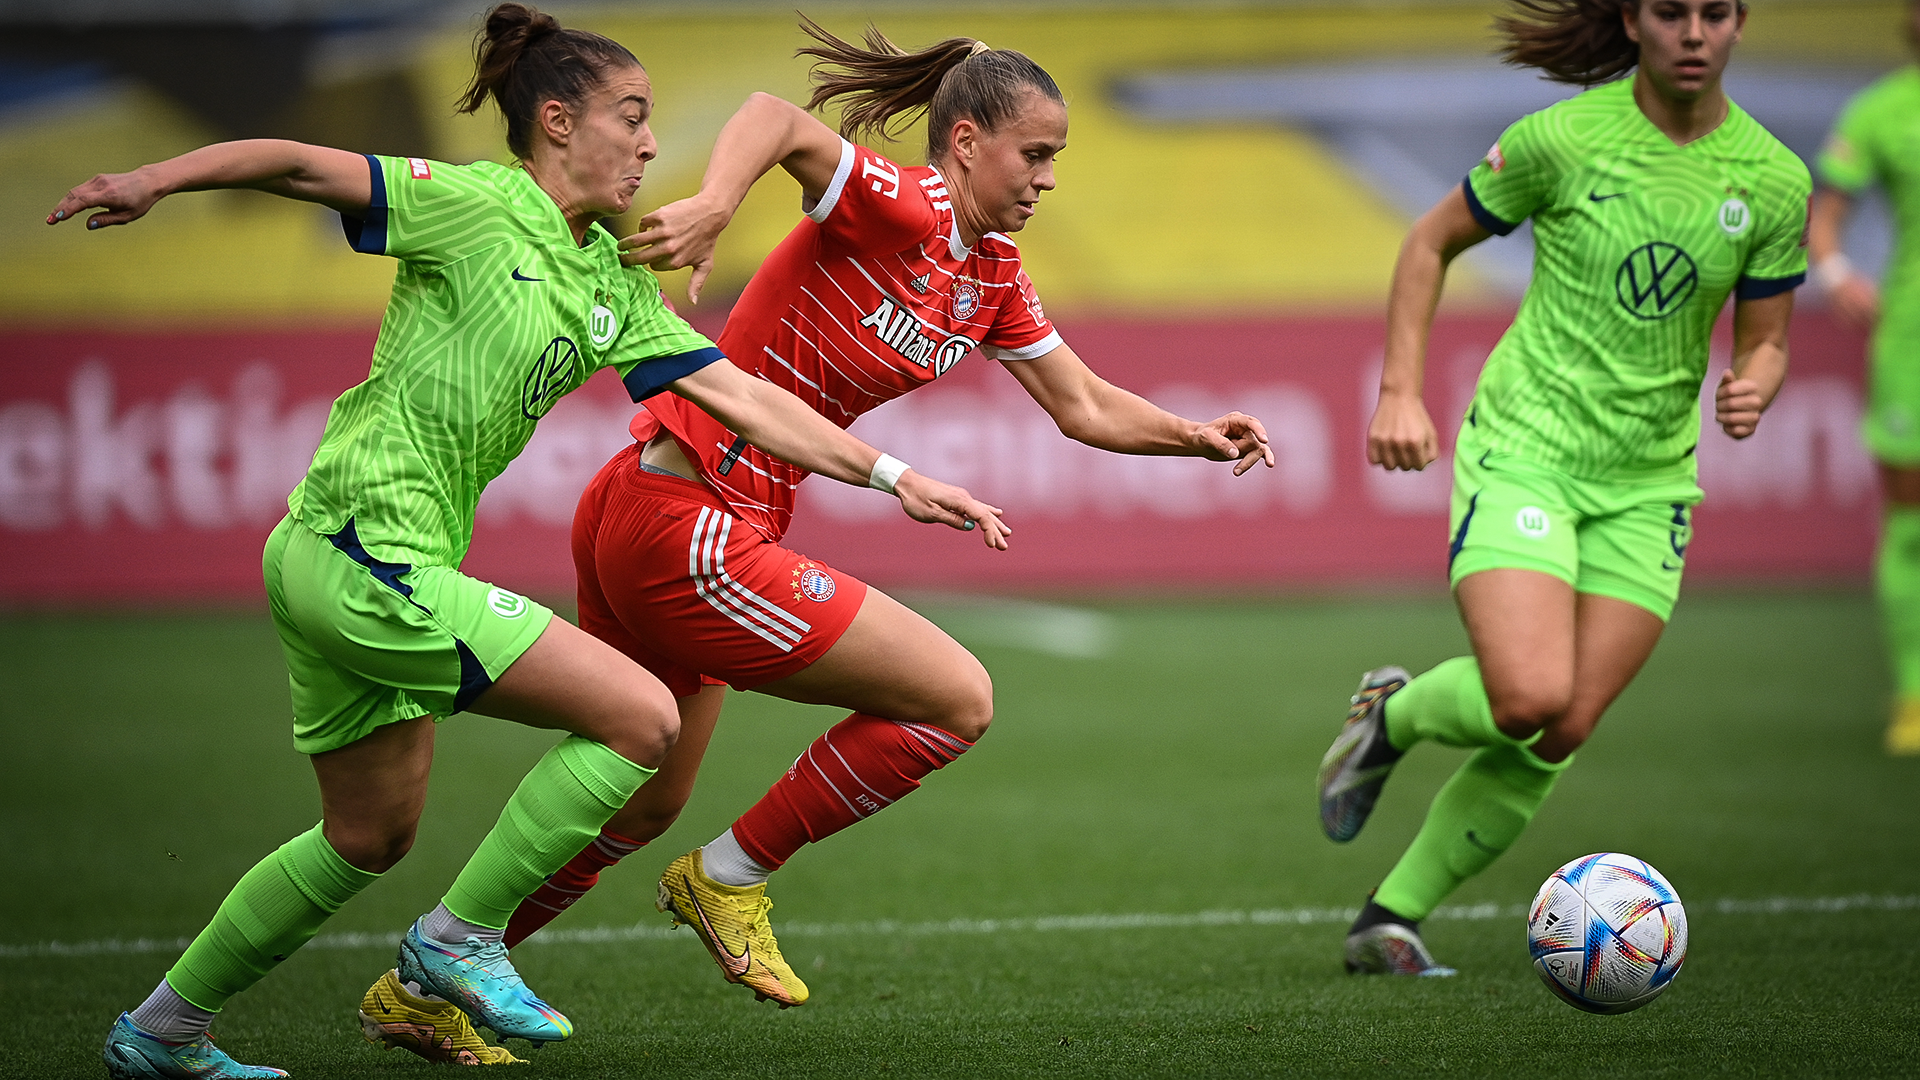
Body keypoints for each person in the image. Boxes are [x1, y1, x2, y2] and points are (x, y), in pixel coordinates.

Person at [51, 5, 1006, 1076]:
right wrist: (156, 181)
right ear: (557, 122)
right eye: (630, 118)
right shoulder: (470, 204)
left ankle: (161, 1033)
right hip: (363, 553)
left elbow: (740, 397)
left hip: (356, 563)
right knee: (641, 717)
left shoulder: (605, 275)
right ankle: (457, 944)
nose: (650, 143)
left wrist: (894, 476)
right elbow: (298, 163)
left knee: (368, 837)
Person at [478, 16, 1275, 1012]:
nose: (1048, 177)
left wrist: (1193, 434)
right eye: (1035, 154)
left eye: (1058, 159)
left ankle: (443, 957)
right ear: (969, 144)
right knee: (955, 700)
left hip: (661, 504)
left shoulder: (991, 278)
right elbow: (773, 117)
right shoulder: (907, 205)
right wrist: (717, 207)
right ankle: (727, 876)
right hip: (689, 517)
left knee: (643, 800)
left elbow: (1083, 406)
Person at [1317, 0, 1807, 975]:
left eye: (1716, 12)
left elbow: (1768, 336)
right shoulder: (1562, 140)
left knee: (1565, 724)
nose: (1694, 32)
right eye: (1672, 11)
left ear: (1742, 24)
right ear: (1633, 21)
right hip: (1529, 445)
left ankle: (1389, 917)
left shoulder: (1774, 178)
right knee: (1528, 694)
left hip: (1651, 478)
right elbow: (1429, 244)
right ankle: (1395, 716)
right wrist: (1401, 392)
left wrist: (1758, 382)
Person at [1809, 0, 1920, 756]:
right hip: (1911, 343)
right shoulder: (1881, 111)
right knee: (1911, 526)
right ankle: (1914, 696)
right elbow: (1827, 215)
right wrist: (1838, 271)